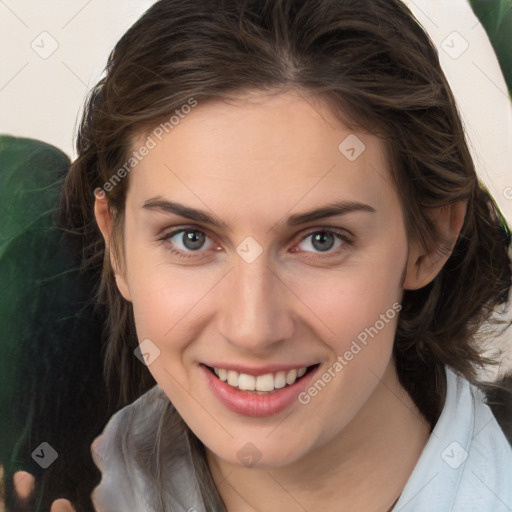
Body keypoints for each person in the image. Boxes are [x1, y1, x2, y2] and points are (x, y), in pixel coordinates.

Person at [11, 0, 512, 510]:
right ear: (116, 245)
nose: (252, 329)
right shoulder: (62, 485)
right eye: (190, 238)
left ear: (430, 239)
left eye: (322, 240)